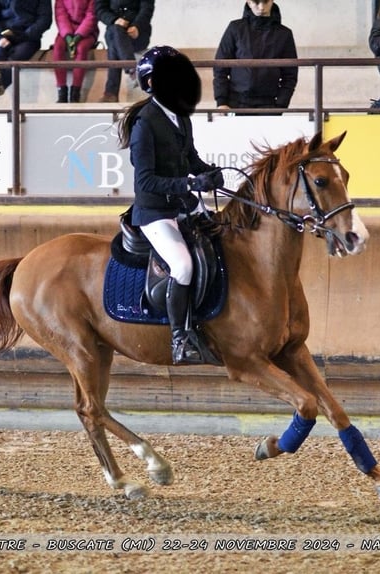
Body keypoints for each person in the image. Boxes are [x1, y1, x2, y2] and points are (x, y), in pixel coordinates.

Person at [118, 46, 224, 365]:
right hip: (154, 213)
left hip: (183, 206)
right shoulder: (144, 124)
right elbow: (146, 181)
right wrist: (190, 184)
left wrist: (207, 172)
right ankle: (180, 338)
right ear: (151, 84)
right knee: (183, 266)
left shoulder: (180, 116)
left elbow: (189, 158)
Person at [213, 0, 298, 113]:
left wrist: (281, 105)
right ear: (248, 2)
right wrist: (222, 102)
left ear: (272, 1)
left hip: (269, 105)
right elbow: (220, 67)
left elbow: (290, 74)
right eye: (256, 2)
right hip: (236, 102)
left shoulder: (284, 34)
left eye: (265, 2)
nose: (261, 7)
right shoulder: (235, 28)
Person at [0, 0, 53, 104]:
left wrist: (26, 35)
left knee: (14, 59)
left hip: (27, 38)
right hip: (2, 35)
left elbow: (45, 19)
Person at [95, 0, 154, 103]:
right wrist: (114, 20)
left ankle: (111, 93)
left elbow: (147, 9)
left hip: (137, 33)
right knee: (116, 32)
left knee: (114, 43)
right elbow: (100, 9)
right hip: (115, 29)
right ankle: (132, 68)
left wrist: (137, 27)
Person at [52, 0, 99, 103]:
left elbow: (91, 16)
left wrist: (78, 36)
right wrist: (68, 37)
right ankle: (62, 90)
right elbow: (60, 15)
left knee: (81, 49)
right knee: (58, 48)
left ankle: (76, 91)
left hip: (87, 32)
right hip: (66, 31)